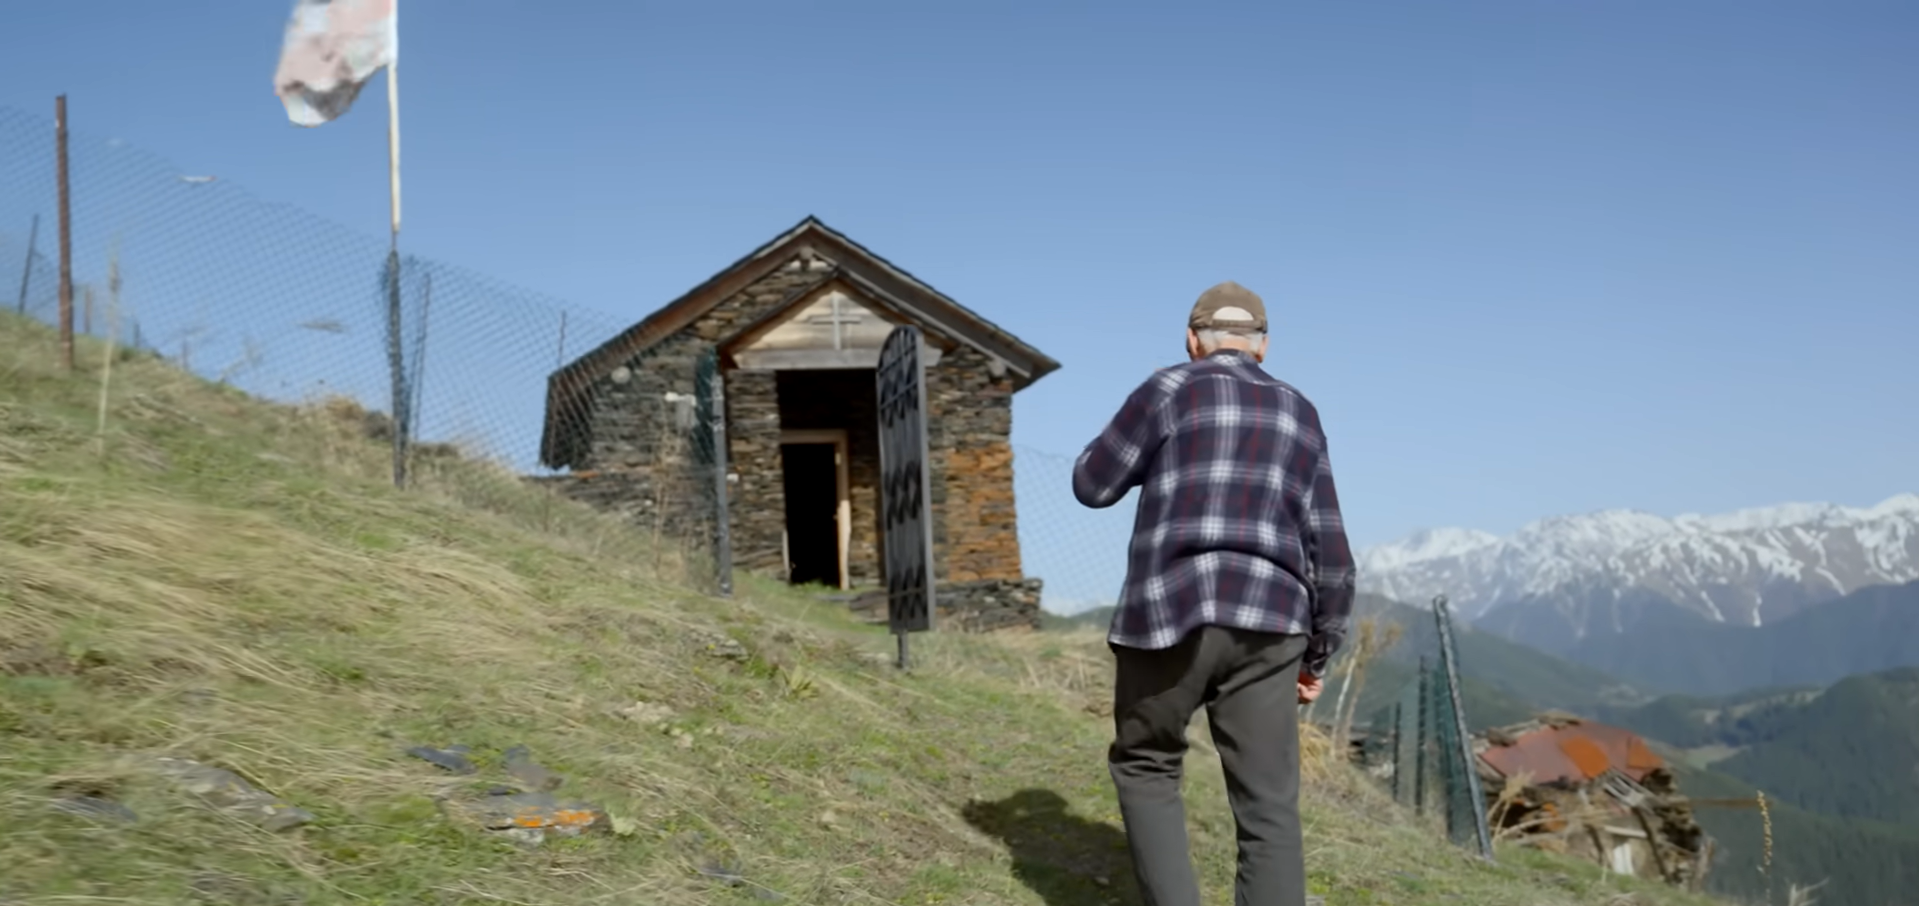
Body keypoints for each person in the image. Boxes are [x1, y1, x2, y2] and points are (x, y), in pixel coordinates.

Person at [1071, 281, 1356, 906]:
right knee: (1268, 804)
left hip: (1168, 611)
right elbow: (1331, 552)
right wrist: (1316, 656)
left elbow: (1092, 484)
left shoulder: (1166, 389)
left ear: (1192, 340)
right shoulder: (1300, 411)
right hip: (1274, 620)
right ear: (1264, 345)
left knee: (1147, 764)